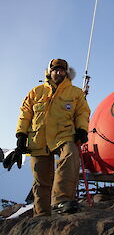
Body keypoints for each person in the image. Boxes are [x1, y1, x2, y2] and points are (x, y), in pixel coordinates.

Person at [9, 59, 90, 216]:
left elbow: (82, 112)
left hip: (64, 134)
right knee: (41, 180)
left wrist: (81, 129)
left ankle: (61, 200)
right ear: (49, 72)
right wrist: (21, 136)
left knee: (70, 154)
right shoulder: (36, 92)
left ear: (66, 73)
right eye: (55, 70)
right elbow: (25, 115)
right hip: (38, 139)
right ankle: (41, 215)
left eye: (61, 70)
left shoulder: (75, 93)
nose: (58, 72)